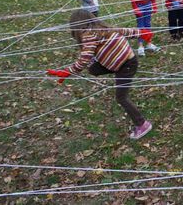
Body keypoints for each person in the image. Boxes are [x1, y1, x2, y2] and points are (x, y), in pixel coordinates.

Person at [46, 9, 155, 140]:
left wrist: (68, 71)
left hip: (126, 66)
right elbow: (124, 31)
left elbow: (84, 59)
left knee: (121, 98)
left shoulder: (88, 35)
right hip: (125, 62)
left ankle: (142, 124)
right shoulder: (101, 27)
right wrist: (140, 33)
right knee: (93, 69)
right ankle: (112, 65)